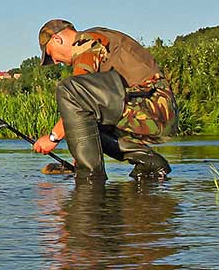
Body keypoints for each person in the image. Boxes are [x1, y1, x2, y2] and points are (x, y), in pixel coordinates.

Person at [32, 19, 178, 180]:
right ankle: (150, 163)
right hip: (154, 111)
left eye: (50, 55)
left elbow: (76, 94)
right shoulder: (95, 41)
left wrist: (53, 138)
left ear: (57, 39)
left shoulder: (87, 42)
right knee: (86, 119)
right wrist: (81, 152)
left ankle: (90, 178)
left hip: (154, 106)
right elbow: (82, 116)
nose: (55, 62)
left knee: (68, 88)